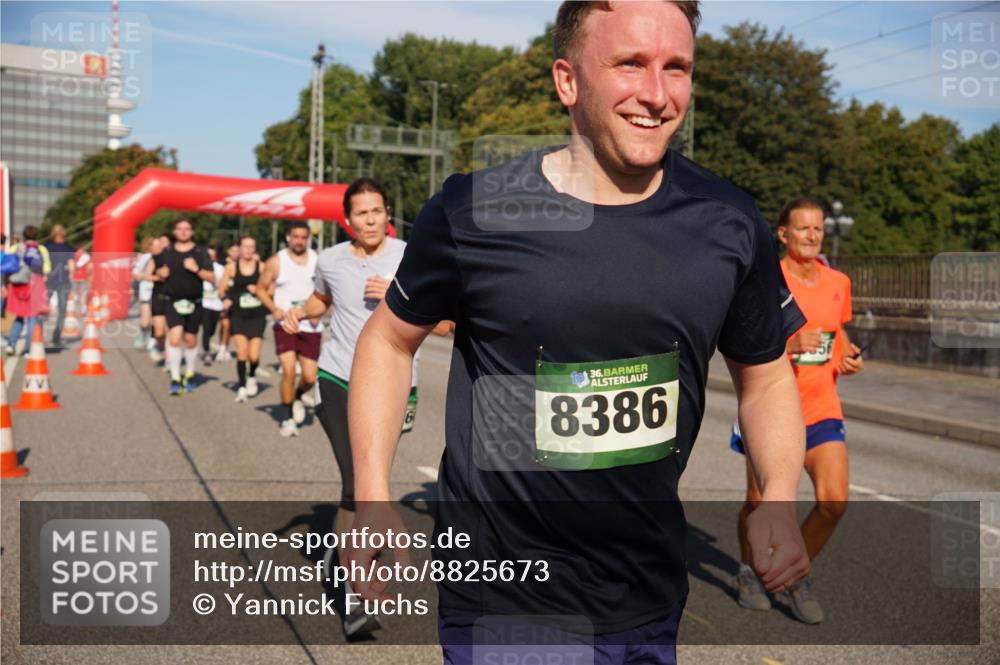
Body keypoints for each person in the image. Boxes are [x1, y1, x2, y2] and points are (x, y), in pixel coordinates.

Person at [344, 2, 811, 662]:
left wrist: (779, 499)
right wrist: (372, 495)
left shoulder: (730, 223)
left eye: (677, 68)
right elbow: (388, 341)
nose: (657, 93)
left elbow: (764, 377)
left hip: (646, 591)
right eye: (630, 64)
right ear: (567, 81)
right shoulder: (474, 211)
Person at [283, 178, 449, 636]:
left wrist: (400, 296)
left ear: (388, 214)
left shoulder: (408, 256)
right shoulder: (330, 259)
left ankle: (348, 560)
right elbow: (322, 299)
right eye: (362, 213)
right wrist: (300, 312)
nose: (371, 220)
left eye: (378, 211)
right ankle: (355, 595)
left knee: (366, 482)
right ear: (347, 220)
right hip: (338, 376)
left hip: (393, 386)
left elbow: (445, 324)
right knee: (358, 480)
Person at [731, 197, 863, 624]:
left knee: (834, 502)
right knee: (759, 503)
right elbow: (744, 341)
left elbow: (836, 329)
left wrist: (849, 353)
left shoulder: (838, 281)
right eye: (803, 229)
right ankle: (751, 571)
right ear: (783, 234)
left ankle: (793, 572)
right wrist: (789, 345)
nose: (812, 236)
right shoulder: (768, 278)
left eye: (818, 229)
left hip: (823, 405)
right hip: (772, 410)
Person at [256, 221, 322, 437]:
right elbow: (260, 289)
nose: (299, 241)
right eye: (296, 237)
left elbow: (327, 290)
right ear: (288, 237)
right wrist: (274, 308)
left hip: (310, 324)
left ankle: (297, 396)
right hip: (285, 323)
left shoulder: (317, 260)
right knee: (289, 370)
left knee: (310, 377)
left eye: (303, 237)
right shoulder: (277, 261)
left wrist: (317, 312)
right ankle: (287, 417)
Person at [155, 219, 214, 395]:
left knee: (190, 340)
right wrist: (160, 273)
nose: (183, 232)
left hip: (194, 302)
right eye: (179, 229)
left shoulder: (200, 252)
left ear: (192, 232)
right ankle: (175, 378)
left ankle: (189, 373)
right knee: (174, 339)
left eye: (187, 229)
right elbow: (156, 271)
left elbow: (212, 277)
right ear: (174, 231)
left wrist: (196, 269)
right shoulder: (167, 251)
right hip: (172, 301)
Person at [220, 236, 267, 403]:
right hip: (238, 315)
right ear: (239, 248)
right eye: (245, 246)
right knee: (242, 351)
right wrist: (226, 298)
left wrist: (259, 290)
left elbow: (272, 289)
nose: (248, 250)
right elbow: (222, 289)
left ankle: (252, 375)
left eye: (251, 246)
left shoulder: (261, 267)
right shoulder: (231, 268)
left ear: (255, 249)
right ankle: (241, 386)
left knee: (254, 356)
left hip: (257, 315)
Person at [6, 225, 51, 355]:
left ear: (24, 235)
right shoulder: (41, 249)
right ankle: (27, 350)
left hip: (18, 285)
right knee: (32, 317)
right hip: (36, 285)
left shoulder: (15, 248)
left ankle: (11, 344)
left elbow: (7, 266)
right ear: (37, 236)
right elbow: (46, 269)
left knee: (19, 315)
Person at [45, 224, 75, 347]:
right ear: (63, 234)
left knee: (43, 308)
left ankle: (38, 333)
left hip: (49, 281)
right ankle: (56, 337)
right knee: (62, 311)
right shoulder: (68, 248)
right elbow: (72, 267)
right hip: (64, 282)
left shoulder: (47, 247)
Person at [147, 233, 173, 364]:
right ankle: (160, 344)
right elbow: (147, 275)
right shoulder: (155, 259)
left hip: (172, 296)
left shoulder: (175, 258)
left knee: (170, 330)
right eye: (160, 242)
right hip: (158, 295)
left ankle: (169, 357)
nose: (162, 244)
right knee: (159, 331)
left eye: (164, 242)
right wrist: (158, 276)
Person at [214, 243, 240, 362]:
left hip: (237, 298)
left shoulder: (243, 265)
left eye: (237, 251)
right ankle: (221, 348)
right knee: (225, 324)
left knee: (231, 327)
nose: (235, 253)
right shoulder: (221, 265)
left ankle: (225, 347)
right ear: (229, 251)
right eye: (233, 250)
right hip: (223, 297)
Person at [200, 246, 226, 365]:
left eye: (212, 255)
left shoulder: (221, 268)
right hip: (204, 303)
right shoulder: (200, 268)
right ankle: (207, 351)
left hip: (216, 303)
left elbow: (223, 284)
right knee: (206, 329)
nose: (210, 258)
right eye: (208, 255)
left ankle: (207, 343)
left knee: (212, 330)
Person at [132, 236, 157, 349]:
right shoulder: (146, 257)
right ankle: (143, 333)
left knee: (156, 319)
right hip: (146, 291)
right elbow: (135, 273)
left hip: (160, 292)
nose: (156, 247)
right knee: (145, 321)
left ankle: (153, 341)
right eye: (153, 244)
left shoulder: (165, 257)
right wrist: (149, 277)